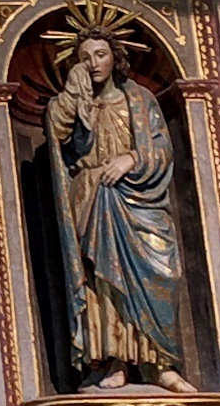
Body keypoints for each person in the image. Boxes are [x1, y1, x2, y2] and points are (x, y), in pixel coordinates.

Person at [42, 21, 192, 381]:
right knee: (103, 281)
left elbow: (162, 148)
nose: (94, 63)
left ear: (115, 57)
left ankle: (160, 365)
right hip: (94, 197)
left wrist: (131, 159)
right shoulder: (74, 101)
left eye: (100, 54)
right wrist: (73, 94)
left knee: (162, 272)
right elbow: (56, 129)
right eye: (84, 58)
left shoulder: (140, 98)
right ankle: (115, 362)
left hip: (139, 200)